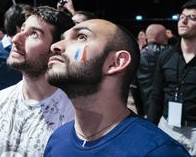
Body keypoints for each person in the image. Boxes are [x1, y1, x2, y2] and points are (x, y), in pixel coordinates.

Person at [45, 19, 190, 156]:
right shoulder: (57, 139)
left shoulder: (160, 152)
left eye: (82, 37)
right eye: (63, 37)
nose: (55, 46)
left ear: (115, 62)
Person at [0, 6, 75, 157]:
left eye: (34, 34)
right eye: (22, 30)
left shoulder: (75, 114)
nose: (15, 38)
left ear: (56, 50)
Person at [148, 0, 196, 155]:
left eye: (192, 17)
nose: (183, 20)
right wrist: (149, 129)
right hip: (167, 126)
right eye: (182, 16)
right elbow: (156, 96)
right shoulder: (166, 56)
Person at [135, 24, 169, 116]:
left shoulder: (138, 55)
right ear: (158, 36)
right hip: (164, 108)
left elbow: (134, 86)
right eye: (165, 34)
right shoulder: (168, 53)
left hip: (144, 106)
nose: (167, 37)